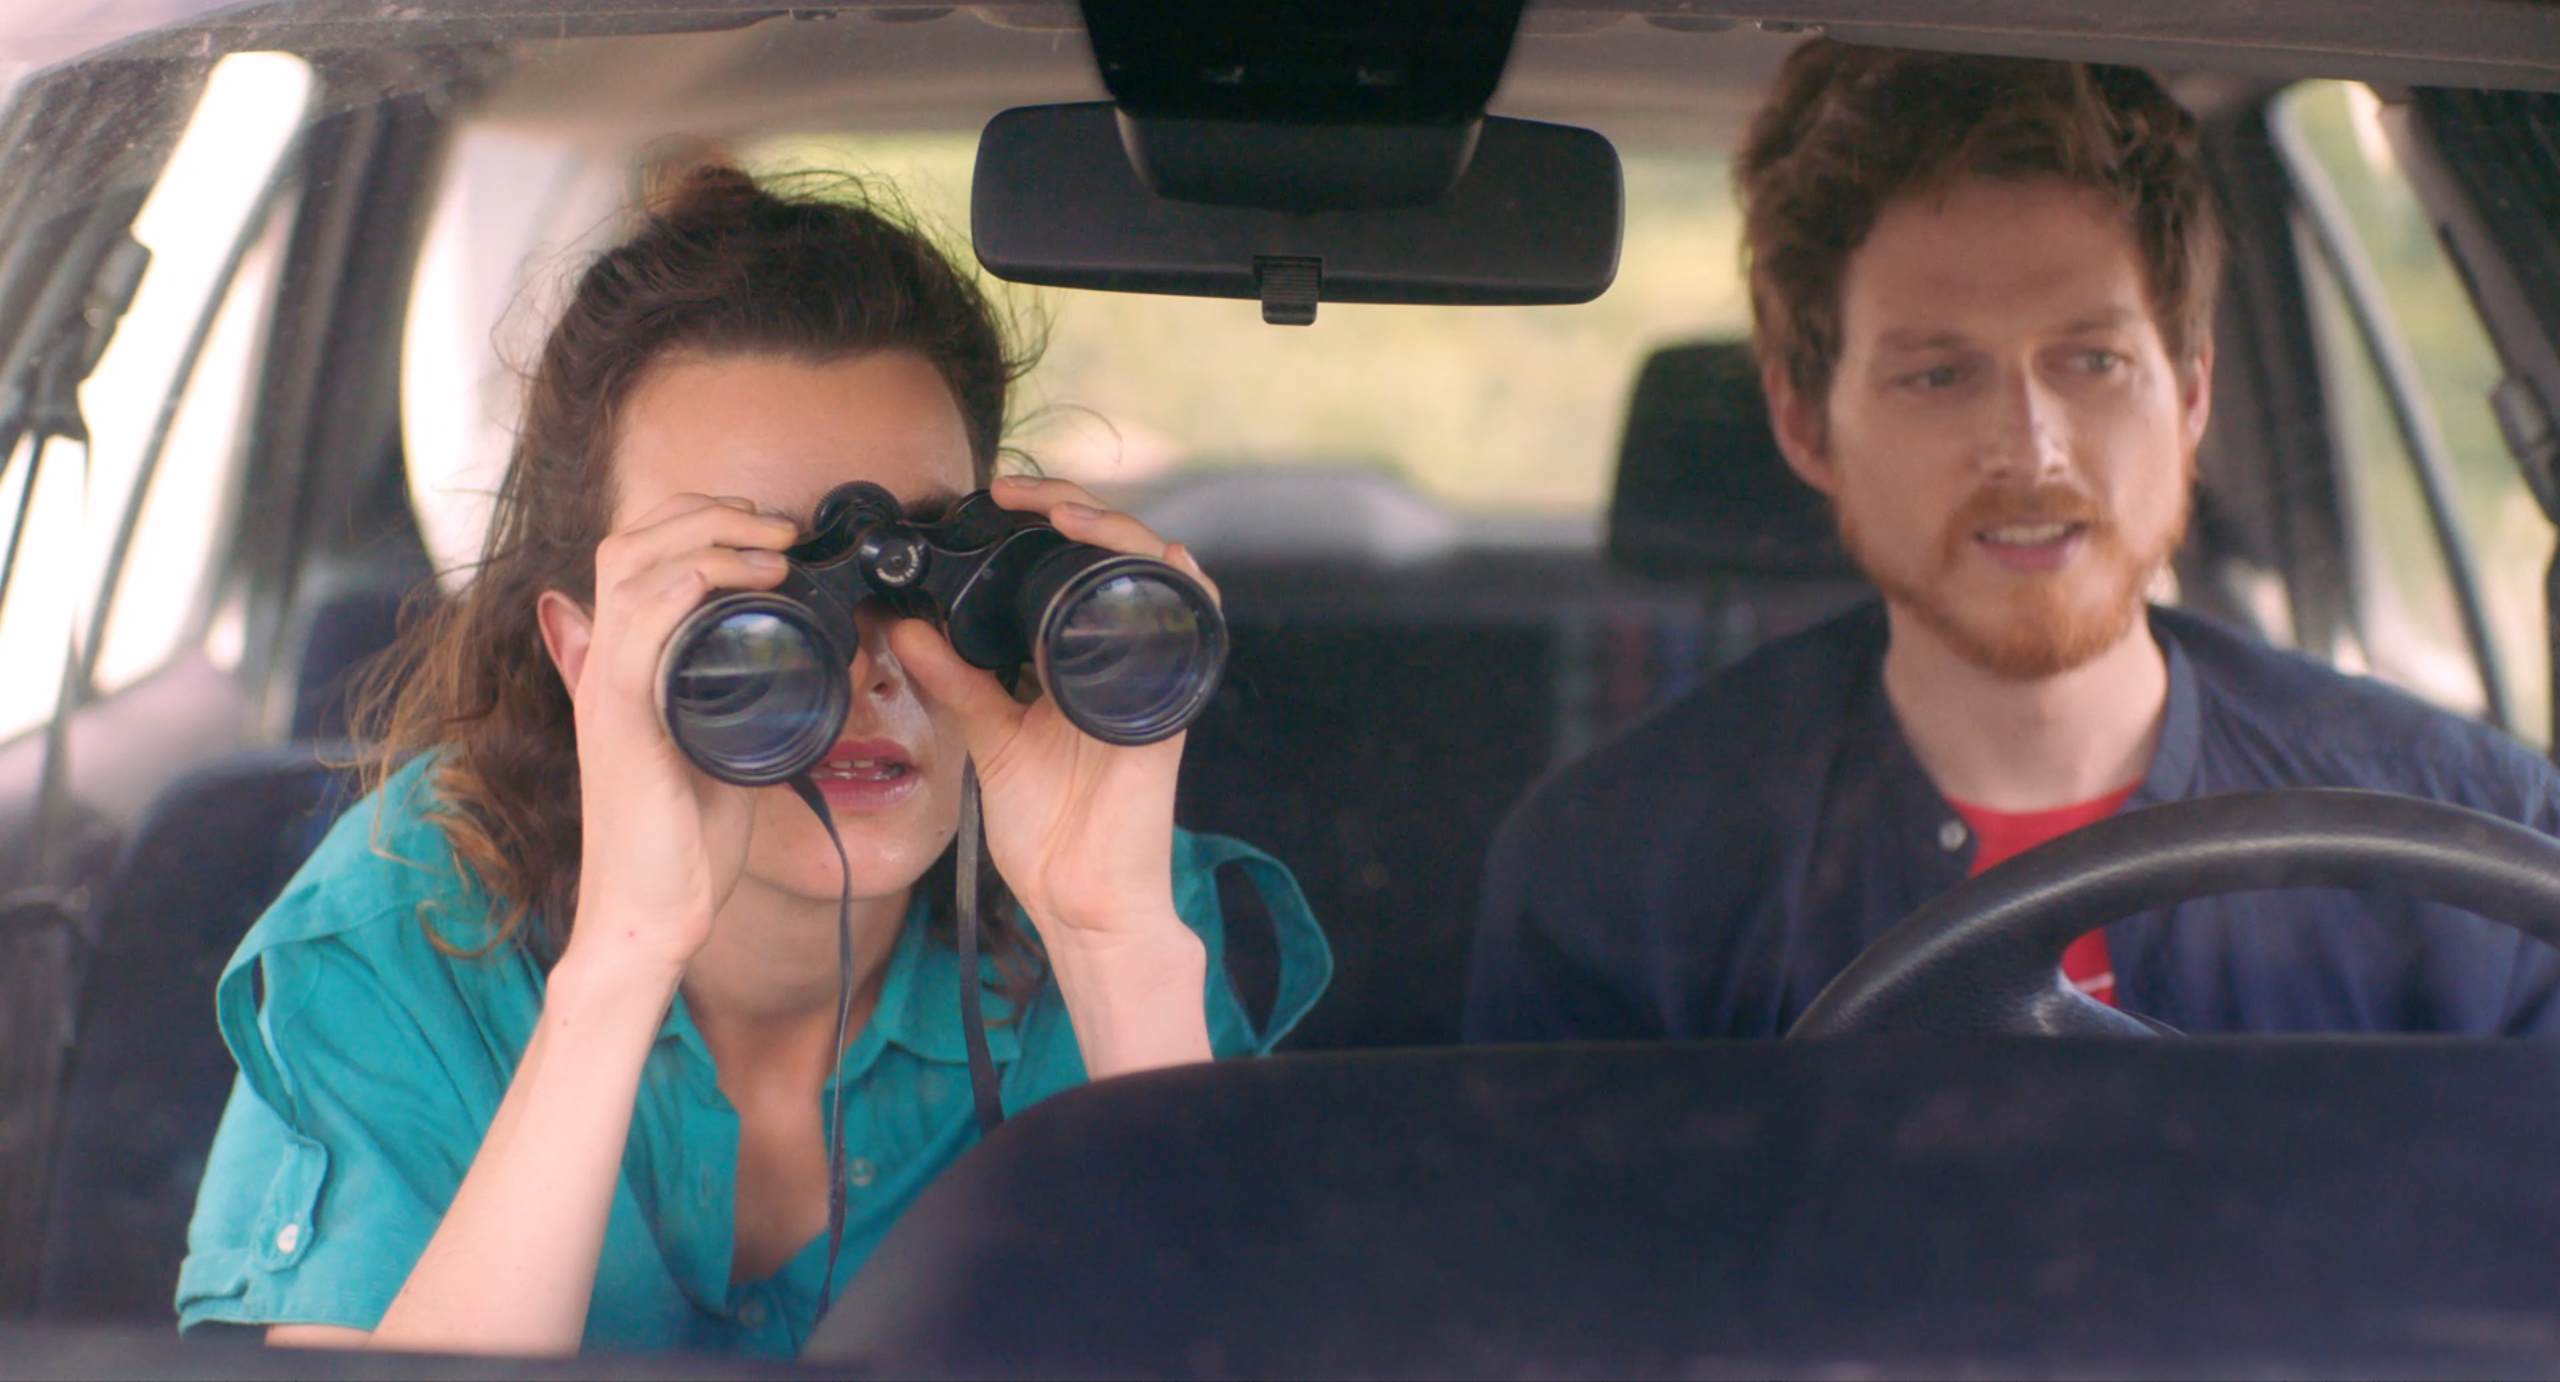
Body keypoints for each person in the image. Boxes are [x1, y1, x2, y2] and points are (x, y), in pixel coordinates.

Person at [176, 163, 1331, 1357]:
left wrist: (1109, 943)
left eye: (925, 563)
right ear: (587, 657)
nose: (867, 668)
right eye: (752, 595)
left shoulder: (1113, 898)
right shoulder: (405, 919)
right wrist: (620, 958)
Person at [1466, 41, 2560, 1042]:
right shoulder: (1618, 874)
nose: (2030, 449)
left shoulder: (2478, 852)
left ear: (2189, 394)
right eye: (1938, 374)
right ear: (1804, 422)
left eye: (2092, 362)